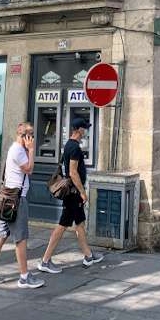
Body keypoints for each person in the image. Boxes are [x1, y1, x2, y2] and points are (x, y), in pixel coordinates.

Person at [0, 122, 44, 289]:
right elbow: (29, 169)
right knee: (21, 239)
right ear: (26, 136)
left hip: (7, 199)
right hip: (16, 201)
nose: (33, 140)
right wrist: (31, 150)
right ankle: (24, 277)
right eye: (31, 136)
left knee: (0, 236)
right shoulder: (18, 151)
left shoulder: (15, 149)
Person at [38, 117, 103, 274]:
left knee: (79, 223)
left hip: (72, 193)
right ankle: (45, 260)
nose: (86, 131)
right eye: (85, 128)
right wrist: (82, 192)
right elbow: (73, 172)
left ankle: (88, 255)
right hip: (73, 193)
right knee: (63, 225)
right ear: (79, 130)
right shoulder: (74, 148)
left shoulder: (69, 145)